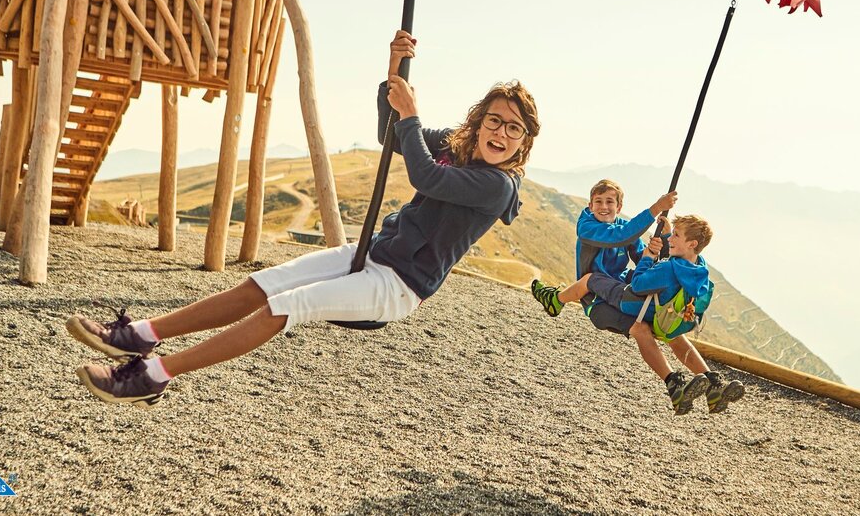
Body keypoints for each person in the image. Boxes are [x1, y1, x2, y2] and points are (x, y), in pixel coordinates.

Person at [66, 30, 541, 407]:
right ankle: (139, 335)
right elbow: (391, 135)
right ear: (479, 121)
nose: (501, 133)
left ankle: (151, 376)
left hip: (396, 286)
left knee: (286, 306)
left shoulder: (498, 186)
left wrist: (412, 113)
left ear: (524, 142)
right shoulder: (458, 144)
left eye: (514, 128)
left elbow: (426, 177)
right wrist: (393, 72)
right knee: (263, 284)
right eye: (494, 120)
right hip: (371, 253)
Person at [534, 214, 744, 415]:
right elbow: (674, 267)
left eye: (676, 235)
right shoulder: (699, 267)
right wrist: (665, 237)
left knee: (591, 279)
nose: (671, 238)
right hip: (671, 316)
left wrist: (647, 258)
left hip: (634, 304)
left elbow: (638, 284)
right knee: (676, 338)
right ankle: (713, 384)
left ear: (692, 244)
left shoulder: (668, 269)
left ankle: (555, 300)